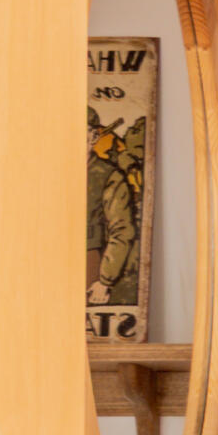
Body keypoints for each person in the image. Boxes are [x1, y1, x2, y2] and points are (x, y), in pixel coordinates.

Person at [88, 113, 140, 307]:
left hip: (88, 262)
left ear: (93, 137)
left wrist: (105, 280)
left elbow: (122, 229)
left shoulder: (109, 176)